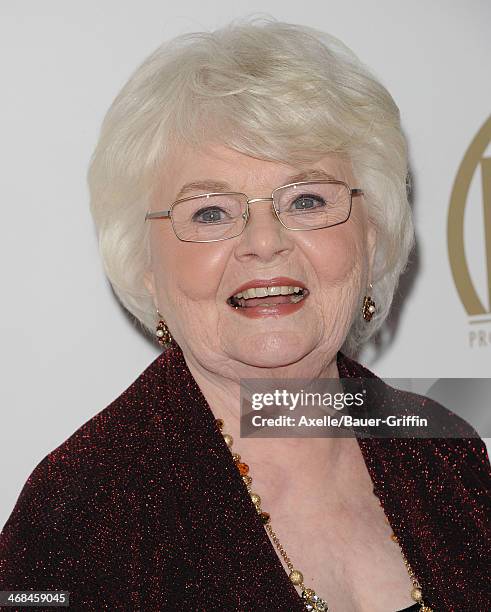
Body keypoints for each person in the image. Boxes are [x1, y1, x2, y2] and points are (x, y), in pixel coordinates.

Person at [1, 17, 489, 612]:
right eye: (210, 212)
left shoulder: (445, 449)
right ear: (147, 265)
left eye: (306, 199)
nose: (264, 241)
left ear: (373, 235)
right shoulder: (75, 513)